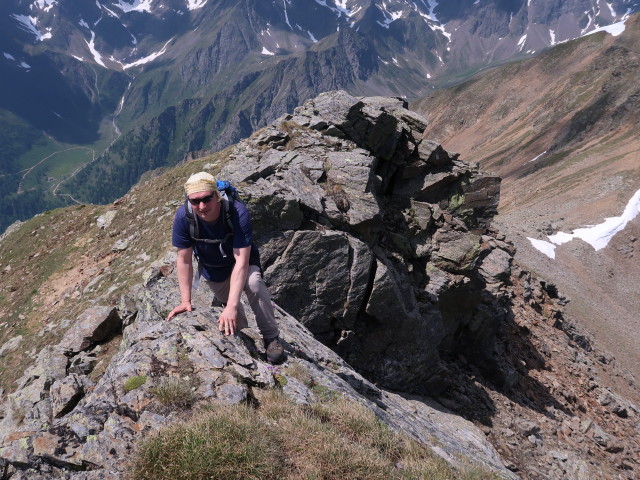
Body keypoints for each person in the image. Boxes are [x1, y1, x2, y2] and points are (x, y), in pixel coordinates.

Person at [166, 171, 284, 363]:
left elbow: (242, 262)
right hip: (214, 269)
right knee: (232, 318)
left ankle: (271, 337)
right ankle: (244, 338)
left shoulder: (237, 212)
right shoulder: (183, 217)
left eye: (206, 199)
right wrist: (185, 300)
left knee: (253, 283)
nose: (202, 206)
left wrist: (231, 305)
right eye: (195, 201)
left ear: (217, 195)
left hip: (240, 262)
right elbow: (184, 260)